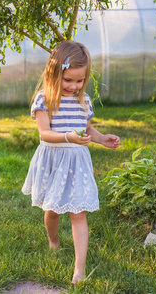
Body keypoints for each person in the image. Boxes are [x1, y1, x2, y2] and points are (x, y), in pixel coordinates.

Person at [21, 40, 120, 285]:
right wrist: (69, 137)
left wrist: (101, 139)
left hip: (77, 163)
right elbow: (44, 133)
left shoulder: (83, 100)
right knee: (52, 211)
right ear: (54, 73)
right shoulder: (44, 99)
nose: (73, 86)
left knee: (78, 213)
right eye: (68, 80)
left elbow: (87, 129)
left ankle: (79, 269)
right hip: (54, 160)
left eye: (79, 81)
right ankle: (54, 241)